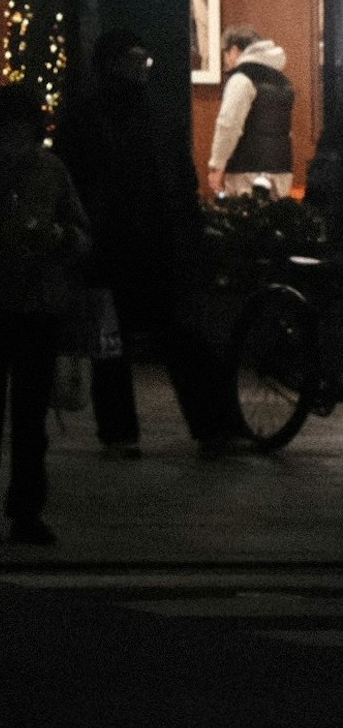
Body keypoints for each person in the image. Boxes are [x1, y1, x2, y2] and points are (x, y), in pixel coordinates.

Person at [54, 32, 241, 457]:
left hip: (146, 243)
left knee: (159, 339)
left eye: (143, 61)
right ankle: (176, 428)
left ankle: (144, 431)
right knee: (127, 343)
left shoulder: (125, 114)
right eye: (132, 61)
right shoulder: (118, 115)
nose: (139, 70)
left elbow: (175, 178)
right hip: (121, 244)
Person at [0, 81, 92, 546]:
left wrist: (58, 239)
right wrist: (0, 238)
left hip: (29, 306)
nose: (18, 138)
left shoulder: (47, 171)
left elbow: (80, 232)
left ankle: (20, 510)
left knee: (25, 418)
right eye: (13, 128)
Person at [212, 34, 300, 197]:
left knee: (246, 219)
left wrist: (217, 165)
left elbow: (228, 125)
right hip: (281, 169)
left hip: (246, 170)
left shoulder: (242, 79)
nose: (226, 59)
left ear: (235, 50)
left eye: (226, 53)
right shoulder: (283, 82)